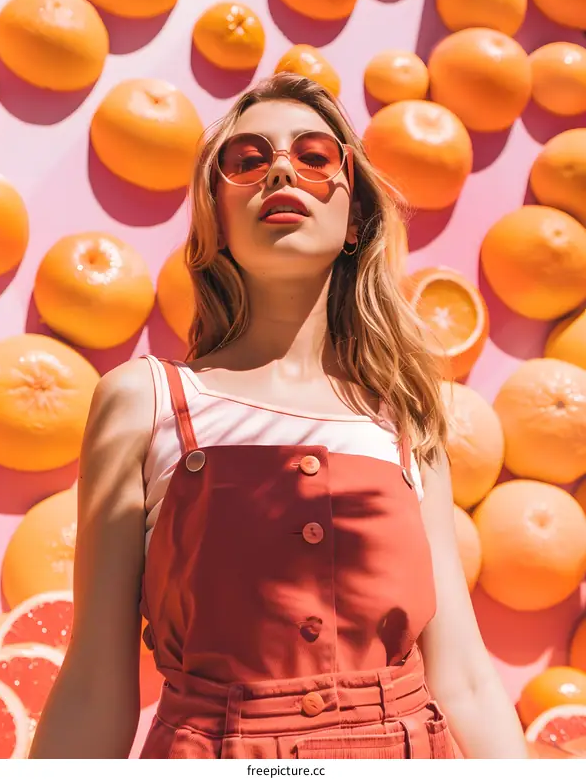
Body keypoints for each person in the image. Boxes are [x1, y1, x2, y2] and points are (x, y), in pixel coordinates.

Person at [30, 72, 528, 760]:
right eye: (249, 160)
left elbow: (466, 677)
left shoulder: (406, 418)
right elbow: (94, 685)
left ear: (354, 218)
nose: (282, 170)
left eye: (316, 157)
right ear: (218, 222)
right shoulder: (144, 401)